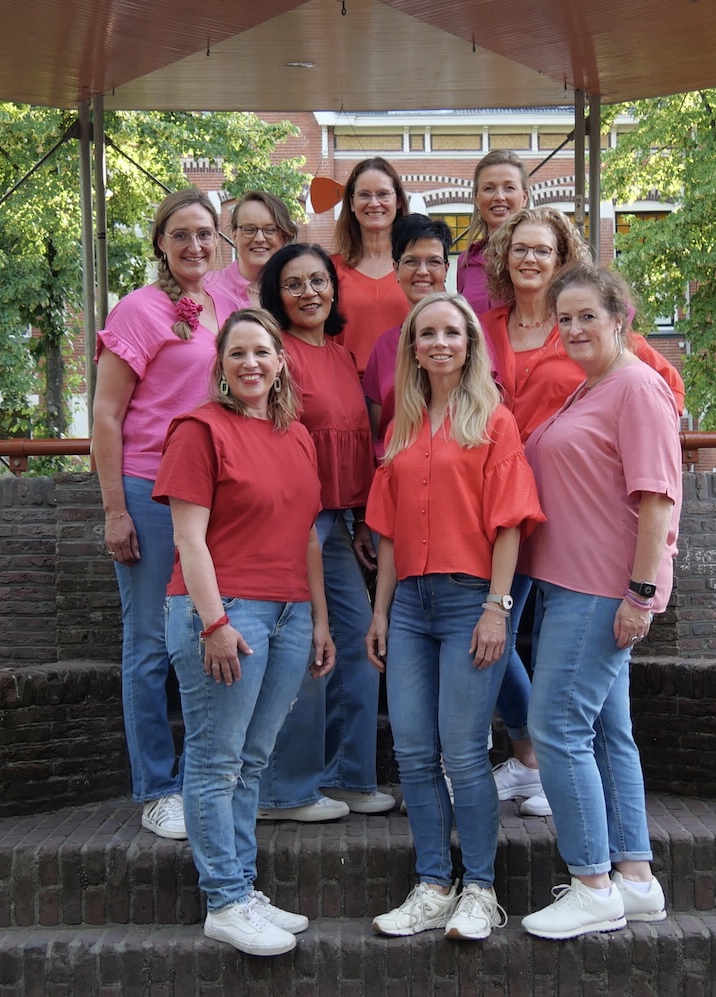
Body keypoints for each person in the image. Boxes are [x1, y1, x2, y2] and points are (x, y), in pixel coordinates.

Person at [480, 206, 686, 818]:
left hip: (583, 545)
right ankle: (630, 859)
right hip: (516, 519)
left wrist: (641, 591)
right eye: (519, 248)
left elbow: (659, 411)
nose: (529, 258)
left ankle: (586, 848)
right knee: (496, 638)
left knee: (565, 718)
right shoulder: (491, 329)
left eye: (542, 248)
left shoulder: (614, 361)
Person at [365, 292, 544, 941]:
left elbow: (510, 523)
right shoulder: (403, 424)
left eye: (452, 333)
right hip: (410, 607)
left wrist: (498, 607)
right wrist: (380, 612)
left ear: (469, 345)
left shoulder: (494, 420)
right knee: (414, 752)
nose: (439, 343)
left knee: (464, 752)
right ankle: (433, 884)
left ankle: (480, 891)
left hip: (471, 598)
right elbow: (387, 532)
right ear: (413, 348)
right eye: (427, 333)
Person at [154, 308, 333, 956]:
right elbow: (188, 539)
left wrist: (319, 619)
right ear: (222, 366)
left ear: (281, 362)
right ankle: (225, 901)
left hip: (288, 614)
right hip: (225, 611)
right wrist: (215, 622)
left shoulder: (298, 436)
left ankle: (243, 887)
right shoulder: (199, 430)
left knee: (252, 761)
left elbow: (307, 537)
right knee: (216, 760)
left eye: (262, 351)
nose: (251, 363)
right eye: (238, 353)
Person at [519, 262, 680, 939]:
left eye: (589, 315)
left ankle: (591, 884)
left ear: (622, 318)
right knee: (609, 734)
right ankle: (635, 878)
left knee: (556, 728)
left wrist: (640, 594)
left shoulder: (637, 387)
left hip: (598, 591)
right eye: (565, 318)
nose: (576, 327)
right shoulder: (590, 388)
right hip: (571, 585)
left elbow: (657, 498)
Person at [93, 188, 237, 840]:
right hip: (150, 491)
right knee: (149, 641)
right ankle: (157, 786)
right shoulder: (138, 309)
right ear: (159, 242)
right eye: (180, 234)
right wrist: (114, 509)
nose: (195, 245)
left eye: (204, 233)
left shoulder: (226, 306)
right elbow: (106, 415)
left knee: (210, 629)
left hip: (213, 495)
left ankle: (208, 776)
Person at [256, 243, 393, 820]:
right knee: (305, 647)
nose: (309, 292)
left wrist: (358, 516)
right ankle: (285, 791)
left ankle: (348, 776)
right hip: (295, 520)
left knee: (359, 643)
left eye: (318, 280)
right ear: (276, 295)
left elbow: (352, 442)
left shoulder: (341, 353)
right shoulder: (276, 354)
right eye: (294, 284)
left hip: (336, 520)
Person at [363, 213, 453, 462]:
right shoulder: (384, 347)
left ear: (446, 269)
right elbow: (378, 432)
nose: (422, 271)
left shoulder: (470, 335)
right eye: (411, 261)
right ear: (396, 269)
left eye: (433, 262)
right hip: (399, 469)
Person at [331, 158, 411, 374]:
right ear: (351, 203)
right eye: (364, 195)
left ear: (398, 200)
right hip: (346, 385)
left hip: (408, 386)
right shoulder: (329, 270)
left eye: (383, 194)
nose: (374, 203)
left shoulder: (418, 268)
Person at [456, 151, 530, 315]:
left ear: (524, 197)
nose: (499, 197)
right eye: (489, 189)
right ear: (477, 199)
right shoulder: (465, 262)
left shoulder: (538, 258)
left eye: (509, 188)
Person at [205, 190, 298, 307]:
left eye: (270, 230)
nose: (259, 239)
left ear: (284, 237)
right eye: (249, 229)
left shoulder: (297, 290)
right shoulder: (207, 287)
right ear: (235, 236)